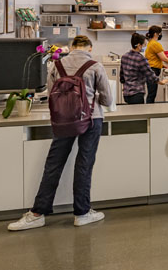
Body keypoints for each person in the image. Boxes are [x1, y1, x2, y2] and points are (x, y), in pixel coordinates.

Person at [8, 35, 112, 230]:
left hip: (63, 120)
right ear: (89, 48)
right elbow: (107, 99)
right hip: (91, 119)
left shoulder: (57, 65)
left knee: (54, 164)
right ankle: (82, 213)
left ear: (72, 47)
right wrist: (93, 96)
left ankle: (38, 212)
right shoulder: (95, 65)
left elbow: (51, 93)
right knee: (84, 163)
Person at [144, 24, 168, 103]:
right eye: (160, 33)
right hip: (153, 70)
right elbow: (163, 58)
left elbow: (154, 58)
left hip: (151, 69)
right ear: (155, 34)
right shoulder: (155, 44)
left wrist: (162, 65)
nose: (161, 35)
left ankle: (149, 112)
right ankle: (149, 112)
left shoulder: (150, 43)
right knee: (152, 94)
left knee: (151, 93)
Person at [118, 32, 151, 105]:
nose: (145, 47)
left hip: (126, 94)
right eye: (144, 45)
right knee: (138, 115)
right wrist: (161, 81)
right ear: (139, 45)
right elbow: (150, 75)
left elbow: (122, 77)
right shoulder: (140, 59)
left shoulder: (124, 56)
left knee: (131, 114)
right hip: (137, 93)